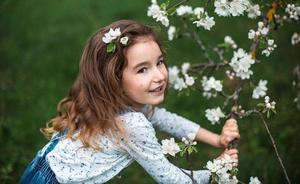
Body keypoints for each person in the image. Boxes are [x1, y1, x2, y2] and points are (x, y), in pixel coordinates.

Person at [20, 20, 240, 184]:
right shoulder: (134, 126)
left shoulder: (106, 101)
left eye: (160, 62)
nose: (160, 75)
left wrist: (218, 140)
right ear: (114, 79)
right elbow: (172, 179)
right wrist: (216, 170)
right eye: (142, 69)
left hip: (42, 169)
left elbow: (167, 120)